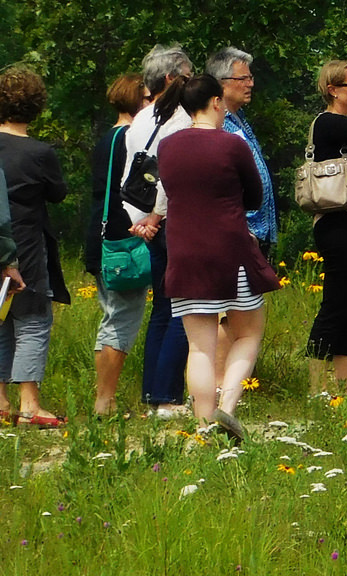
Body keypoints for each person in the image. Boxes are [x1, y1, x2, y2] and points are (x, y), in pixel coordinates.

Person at [154, 74, 278, 443]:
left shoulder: (168, 146)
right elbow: (255, 197)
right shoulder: (232, 144)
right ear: (214, 102)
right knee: (249, 332)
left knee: (199, 347)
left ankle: (204, 425)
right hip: (231, 250)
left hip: (184, 253)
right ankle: (230, 406)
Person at [126, 44, 194, 420]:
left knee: (161, 310)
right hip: (172, 222)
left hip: (147, 226)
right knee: (185, 309)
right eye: (187, 75)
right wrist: (155, 216)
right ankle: (167, 397)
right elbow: (170, 175)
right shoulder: (180, 119)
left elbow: (129, 176)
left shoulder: (139, 120)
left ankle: (153, 391)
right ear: (172, 79)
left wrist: (137, 219)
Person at [303, 60, 347, 396]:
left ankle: (345, 386)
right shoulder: (328, 123)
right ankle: (317, 385)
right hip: (337, 224)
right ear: (333, 90)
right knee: (335, 304)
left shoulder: (342, 126)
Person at [0, 66, 67, 428]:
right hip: (25, 245)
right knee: (31, 322)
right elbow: (58, 193)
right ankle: (30, 403)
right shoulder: (39, 152)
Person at [209, 47, 272, 394]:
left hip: (254, 230)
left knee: (241, 312)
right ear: (221, 83)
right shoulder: (221, 126)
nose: (251, 84)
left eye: (250, 77)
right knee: (227, 313)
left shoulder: (238, 120)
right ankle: (220, 384)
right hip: (241, 231)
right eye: (243, 78)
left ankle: (233, 381)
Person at [87, 73, 147, 416]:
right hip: (121, 239)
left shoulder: (105, 138)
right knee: (122, 318)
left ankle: (104, 396)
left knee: (111, 315)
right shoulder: (129, 137)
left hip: (99, 234)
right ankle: (105, 400)